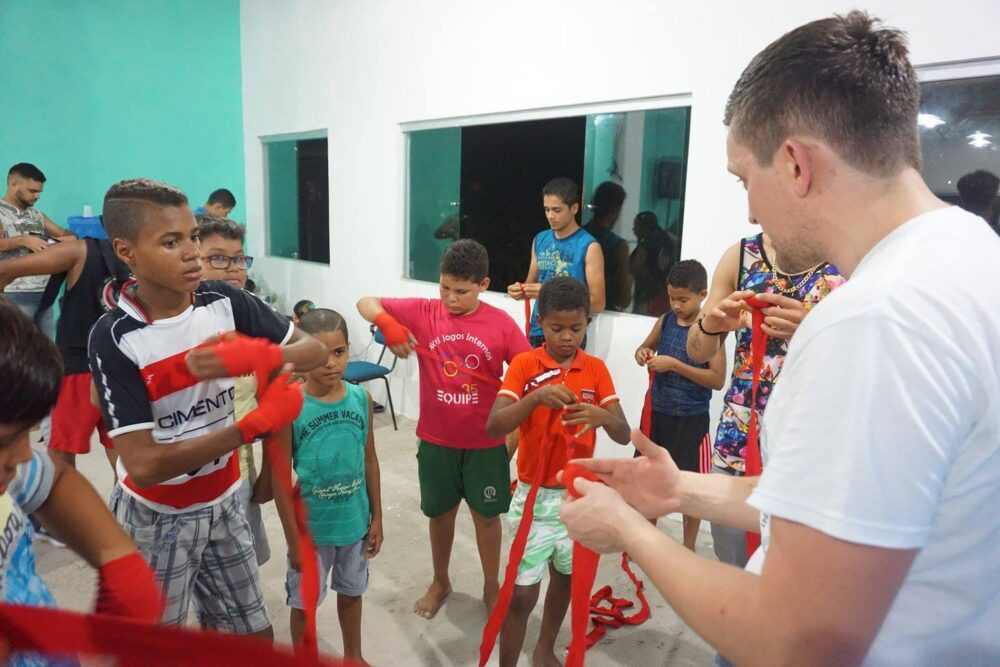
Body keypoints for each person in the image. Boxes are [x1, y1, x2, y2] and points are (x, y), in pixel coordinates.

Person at [560, 12, 1000, 666]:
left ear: (794, 163)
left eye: (745, 179)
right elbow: (845, 518)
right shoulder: (972, 252)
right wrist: (682, 490)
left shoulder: (873, 321)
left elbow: (797, 640)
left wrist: (630, 531)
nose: (749, 211)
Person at [88, 178, 326, 638]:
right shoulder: (116, 337)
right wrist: (249, 427)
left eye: (193, 236)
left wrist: (260, 355)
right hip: (158, 515)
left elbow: (313, 348)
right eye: (171, 242)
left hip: (224, 498)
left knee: (254, 637)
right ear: (127, 250)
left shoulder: (225, 301)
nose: (192, 252)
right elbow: (144, 465)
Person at [356, 239, 531, 620]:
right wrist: (387, 323)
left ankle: (490, 584)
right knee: (440, 515)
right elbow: (366, 302)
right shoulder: (424, 311)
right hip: (436, 442)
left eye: (462, 291)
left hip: (485, 444)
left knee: (487, 518)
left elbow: (526, 376)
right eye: (445, 288)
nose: (451, 298)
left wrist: (512, 435)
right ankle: (441, 580)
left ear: (484, 284)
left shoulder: (501, 323)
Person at [0, 295, 164, 666]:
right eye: (5, 440)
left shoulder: (10, 472)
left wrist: (115, 558)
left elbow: (51, 478)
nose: (26, 454)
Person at [486, 276, 630, 667]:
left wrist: (602, 416)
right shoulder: (525, 364)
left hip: (579, 499)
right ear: (540, 325)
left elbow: (622, 433)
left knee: (566, 579)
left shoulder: (596, 370)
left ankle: (545, 648)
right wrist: (533, 399)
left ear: (587, 323)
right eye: (556, 328)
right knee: (520, 595)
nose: (567, 338)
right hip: (534, 499)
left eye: (577, 329)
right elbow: (494, 425)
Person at [686, 233, 842, 567]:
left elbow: (872, 358)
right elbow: (696, 350)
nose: (753, 212)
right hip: (738, 441)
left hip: (812, 446)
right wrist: (711, 326)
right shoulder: (741, 257)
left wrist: (812, 328)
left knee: (799, 575)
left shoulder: (845, 258)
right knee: (733, 564)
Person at [273, 309, 383, 663]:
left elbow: (370, 461)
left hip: (354, 524)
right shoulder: (290, 406)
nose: (330, 363)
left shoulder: (360, 399)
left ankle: (353, 656)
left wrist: (377, 516)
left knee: (352, 593)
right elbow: (278, 479)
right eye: (317, 354)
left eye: (338, 352)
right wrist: (293, 541)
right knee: (304, 604)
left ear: (349, 350)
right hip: (310, 532)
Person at [0, 231, 129, 474]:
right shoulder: (149, 255)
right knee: (121, 462)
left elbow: (5, 269)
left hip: (87, 369)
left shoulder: (80, 250)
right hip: (113, 368)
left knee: (62, 457)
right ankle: (117, 511)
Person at [633, 260, 725, 550]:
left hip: (690, 421)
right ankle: (648, 539)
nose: (676, 305)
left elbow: (717, 379)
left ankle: (688, 546)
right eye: (672, 298)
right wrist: (643, 352)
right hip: (658, 414)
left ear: (702, 295)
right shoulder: (666, 321)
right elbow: (643, 346)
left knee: (689, 489)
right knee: (648, 480)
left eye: (683, 299)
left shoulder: (710, 330)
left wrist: (674, 365)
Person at [195, 214, 270, 567]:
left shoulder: (255, 317)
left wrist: (270, 471)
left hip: (240, 465)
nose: (233, 268)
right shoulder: (181, 322)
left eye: (239, 258)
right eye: (218, 258)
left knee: (241, 564)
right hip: (191, 474)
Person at [507, 177, 605, 347]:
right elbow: (531, 285)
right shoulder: (540, 239)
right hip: (539, 329)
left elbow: (597, 303)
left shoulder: (589, 246)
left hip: (568, 332)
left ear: (574, 208)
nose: (551, 216)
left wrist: (548, 292)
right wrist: (520, 290)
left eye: (557, 210)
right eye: (547, 210)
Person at [0, 163, 76, 338]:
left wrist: (58, 241)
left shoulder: (37, 215)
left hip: (45, 293)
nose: (37, 196)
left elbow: (67, 235)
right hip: (13, 292)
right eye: (32, 191)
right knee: (16, 349)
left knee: (46, 349)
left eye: (39, 192)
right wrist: (24, 240)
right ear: (13, 185)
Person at [582, 181, 632, 312]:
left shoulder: (575, 237)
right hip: (606, 314)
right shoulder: (618, 246)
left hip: (573, 310)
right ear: (615, 210)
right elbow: (624, 298)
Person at [629, 211, 675, 315]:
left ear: (645, 227)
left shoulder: (645, 246)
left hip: (648, 296)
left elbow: (634, 267)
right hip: (666, 293)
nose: (634, 230)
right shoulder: (669, 239)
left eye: (636, 226)